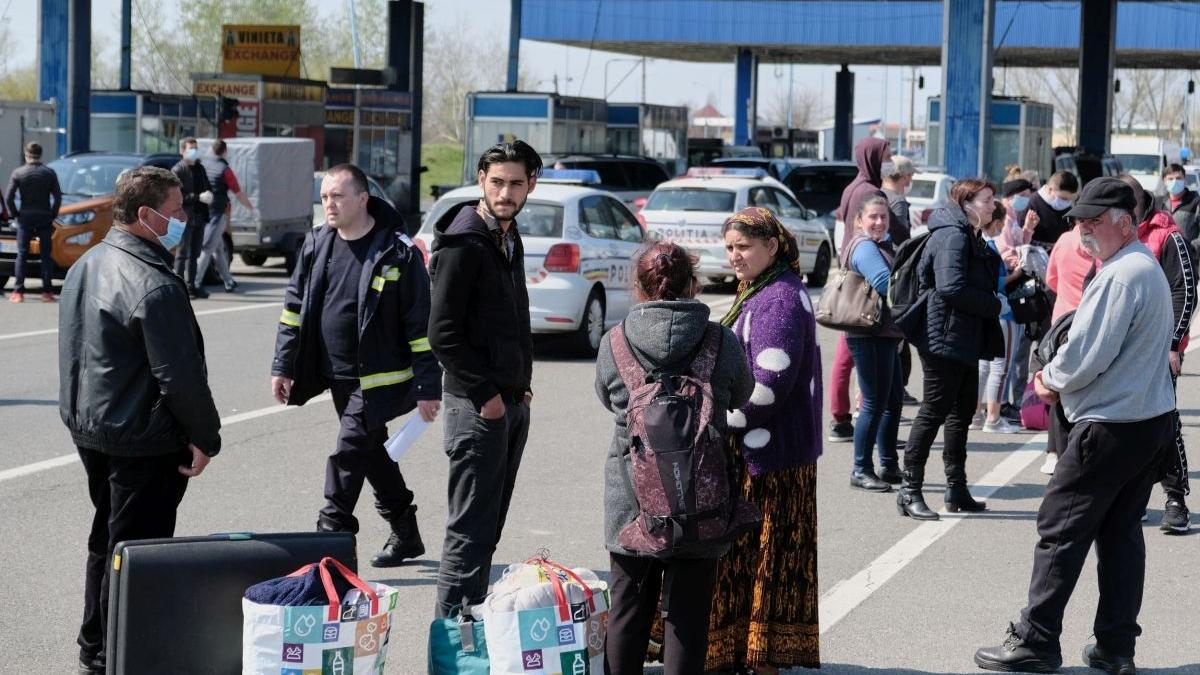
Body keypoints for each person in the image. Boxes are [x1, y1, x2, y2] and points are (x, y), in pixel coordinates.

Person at [974, 178, 1177, 675]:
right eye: (1080, 222)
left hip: (1111, 423)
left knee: (1060, 530)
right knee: (1120, 535)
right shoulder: (1139, 265)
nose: (1083, 230)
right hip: (1146, 421)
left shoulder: (1122, 274)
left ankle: (1036, 641)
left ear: (1124, 222)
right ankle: (1115, 646)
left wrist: (1049, 379)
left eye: (1093, 222)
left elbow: (1088, 353)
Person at [58, 166, 221, 675]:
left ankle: (96, 643)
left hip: (95, 427)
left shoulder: (88, 262)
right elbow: (180, 377)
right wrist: (204, 437)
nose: (182, 220)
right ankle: (118, 653)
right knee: (135, 551)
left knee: (105, 540)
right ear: (146, 215)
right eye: (175, 212)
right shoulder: (153, 282)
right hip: (142, 437)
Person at [271, 163, 440, 566]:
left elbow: (420, 324)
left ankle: (329, 540)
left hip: (382, 377)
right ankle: (406, 532)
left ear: (363, 198)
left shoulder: (396, 251)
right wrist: (284, 365)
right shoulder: (316, 244)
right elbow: (293, 310)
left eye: (338, 196)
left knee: (349, 451)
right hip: (336, 374)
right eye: (325, 196)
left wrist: (428, 386)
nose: (329, 204)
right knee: (371, 451)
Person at [595, 242, 753, 675]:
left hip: (631, 497)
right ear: (693, 284)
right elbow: (742, 393)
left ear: (639, 287)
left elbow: (609, 399)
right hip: (700, 496)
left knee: (628, 608)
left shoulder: (615, 342)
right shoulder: (720, 340)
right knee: (687, 616)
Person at [705, 206, 823, 671]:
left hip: (772, 456)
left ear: (772, 247)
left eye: (744, 247)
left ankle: (765, 657)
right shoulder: (760, 289)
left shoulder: (779, 299)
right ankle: (744, 651)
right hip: (758, 449)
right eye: (730, 247)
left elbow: (768, 385)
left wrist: (718, 419)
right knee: (748, 556)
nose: (734, 256)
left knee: (767, 558)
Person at [428, 140, 539, 617]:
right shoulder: (465, 242)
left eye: (516, 183)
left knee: (488, 528)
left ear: (531, 184)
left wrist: (521, 388)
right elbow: (442, 334)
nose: (506, 192)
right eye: (498, 182)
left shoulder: (507, 238)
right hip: (478, 409)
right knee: (468, 533)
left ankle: (470, 637)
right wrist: (488, 396)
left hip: (509, 403)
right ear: (481, 180)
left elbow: (511, 321)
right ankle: (450, 644)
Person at [897, 178, 1003, 520]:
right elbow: (950, 287)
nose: (992, 205)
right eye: (987, 199)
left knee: (961, 414)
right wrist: (993, 304)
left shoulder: (969, 234)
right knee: (933, 411)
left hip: (963, 336)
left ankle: (956, 488)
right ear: (968, 202)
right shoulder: (953, 235)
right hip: (942, 336)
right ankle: (909, 489)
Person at [1119, 174, 1196, 534]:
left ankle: (1176, 498)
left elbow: (1186, 292)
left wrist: (1173, 344)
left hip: (1159, 349)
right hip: (1119, 349)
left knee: (1164, 424)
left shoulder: (1168, 234)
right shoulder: (1113, 232)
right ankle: (1130, 498)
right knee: (1122, 424)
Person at [829, 137, 891, 442]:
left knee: (845, 355)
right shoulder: (871, 192)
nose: (889, 160)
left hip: (851, 271)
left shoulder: (852, 187)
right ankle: (849, 424)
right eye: (887, 155)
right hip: (864, 280)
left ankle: (840, 416)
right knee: (855, 357)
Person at [843, 197, 904, 491]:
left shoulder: (882, 245)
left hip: (885, 333)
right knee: (873, 403)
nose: (879, 222)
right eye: (873, 217)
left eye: (884, 217)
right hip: (868, 333)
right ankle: (861, 468)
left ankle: (889, 464)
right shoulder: (865, 246)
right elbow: (883, 281)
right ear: (859, 220)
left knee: (891, 402)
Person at [972, 201, 1022, 434]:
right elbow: (998, 283)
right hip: (1003, 311)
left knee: (983, 366)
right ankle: (993, 416)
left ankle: (977, 414)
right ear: (999, 222)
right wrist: (1016, 274)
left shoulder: (978, 243)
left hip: (985, 312)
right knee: (1001, 366)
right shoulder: (991, 248)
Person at [996, 179, 1039, 421]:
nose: (1025, 199)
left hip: (1013, 284)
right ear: (1010, 195)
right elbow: (1007, 252)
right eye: (1021, 194)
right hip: (1007, 286)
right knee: (1004, 356)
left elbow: (1017, 245)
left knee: (1009, 355)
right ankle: (999, 406)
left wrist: (1028, 231)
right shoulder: (1004, 217)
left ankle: (1002, 403)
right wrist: (1020, 262)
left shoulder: (1013, 217)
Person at [6, 141, 62, 303]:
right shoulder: (49, 173)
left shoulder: (18, 173)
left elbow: (9, 197)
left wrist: (15, 214)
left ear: (26, 154)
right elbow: (58, 197)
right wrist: (52, 214)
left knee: (22, 254)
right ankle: (47, 292)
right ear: (40, 154)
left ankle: (18, 292)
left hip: (25, 218)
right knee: (45, 255)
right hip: (44, 217)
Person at [198, 139, 254, 292]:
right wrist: (251, 208)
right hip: (217, 214)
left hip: (203, 211)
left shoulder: (203, 164)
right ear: (225, 151)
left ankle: (228, 281)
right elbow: (238, 192)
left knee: (219, 248)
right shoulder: (224, 169)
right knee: (209, 248)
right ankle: (195, 283)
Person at [171, 137, 214, 299]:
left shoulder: (200, 168)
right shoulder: (178, 170)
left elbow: (207, 186)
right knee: (182, 252)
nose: (194, 151)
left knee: (195, 254)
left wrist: (209, 194)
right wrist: (197, 197)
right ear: (182, 151)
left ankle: (192, 286)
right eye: (190, 148)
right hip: (184, 216)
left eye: (195, 148)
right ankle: (179, 287)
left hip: (199, 216)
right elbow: (177, 196)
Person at [1027, 171, 1079, 249]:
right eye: (1063, 198)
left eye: (1069, 200)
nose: (1066, 203)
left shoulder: (1068, 209)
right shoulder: (1032, 203)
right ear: (1050, 189)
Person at [1157, 163, 1199, 254]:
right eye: (1170, 179)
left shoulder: (1195, 202)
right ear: (1164, 180)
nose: (1175, 181)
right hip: (1164, 259)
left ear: (1184, 179)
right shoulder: (1159, 203)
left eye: (1178, 178)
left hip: (1188, 259)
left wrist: (1192, 248)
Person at [881, 155, 915, 245]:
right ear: (905, 177)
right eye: (911, 175)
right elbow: (900, 240)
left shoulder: (879, 192)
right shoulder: (898, 202)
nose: (911, 180)